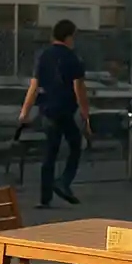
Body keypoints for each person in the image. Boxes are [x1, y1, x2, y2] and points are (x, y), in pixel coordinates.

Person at [19, 19, 92, 207]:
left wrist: (25, 111)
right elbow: (79, 89)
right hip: (65, 109)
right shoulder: (73, 58)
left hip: (48, 110)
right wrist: (85, 113)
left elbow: (34, 87)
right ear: (68, 37)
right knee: (76, 145)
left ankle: (45, 198)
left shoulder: (43, 56)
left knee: (50, 152)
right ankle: (64, 181)